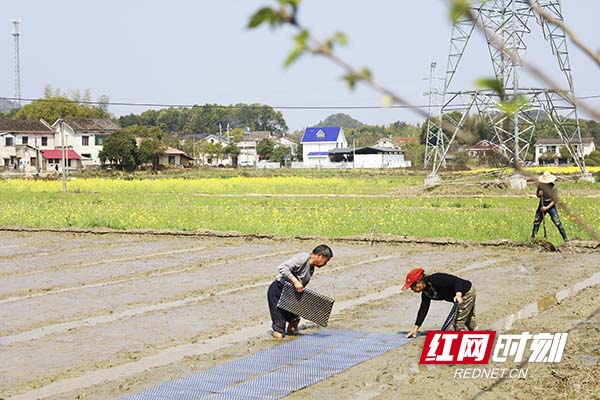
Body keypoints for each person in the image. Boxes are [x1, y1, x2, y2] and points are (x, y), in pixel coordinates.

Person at [267, 244, 333, 339]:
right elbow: (282, 267)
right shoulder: (302, 258)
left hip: (290, 293)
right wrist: (295, 282)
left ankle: (292, 341)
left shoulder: (311, 267)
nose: (326, 264)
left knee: (294, 321)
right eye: (326, 261)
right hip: (278, 291)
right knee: (279, 328)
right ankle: (278, 345)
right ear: (320, 255)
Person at [404, 268, 477, 338]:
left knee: (458, 322)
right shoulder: (426, 292)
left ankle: (461, 342)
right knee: (468, 319)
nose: (411, 289)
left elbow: (457, 281)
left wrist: (458, 295)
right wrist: (415, 328)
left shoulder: (436, 279)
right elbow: (423, 309)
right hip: (463, 294)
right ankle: (477, 334)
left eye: (411, 286)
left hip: (466, 292)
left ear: (418, 283)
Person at [531, 171, 567, 241]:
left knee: (557, 221)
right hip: (542, 204)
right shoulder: (540, 186)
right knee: (537, 221)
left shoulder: (553, 187)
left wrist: (546, 208)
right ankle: (533, 237)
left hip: (551, 205)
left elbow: (555, 200)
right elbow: (537, 195)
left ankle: (565, 239)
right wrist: (539, 194)